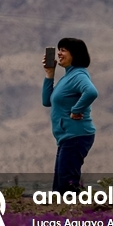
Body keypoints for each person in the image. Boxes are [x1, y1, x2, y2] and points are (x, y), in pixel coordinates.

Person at [42, 38, 98, 193]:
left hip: (76, 135)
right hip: (67, 137)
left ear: (75, 54)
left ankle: (85, 213)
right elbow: (47, 101)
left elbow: (91, 92)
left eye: (64, 50)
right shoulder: (67, 77)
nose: (59, 53)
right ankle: (70, 213)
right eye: (59, 49)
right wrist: (49, 74)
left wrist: (76, 110)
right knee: (60, 186)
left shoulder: (78, 75)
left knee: (67, 186)